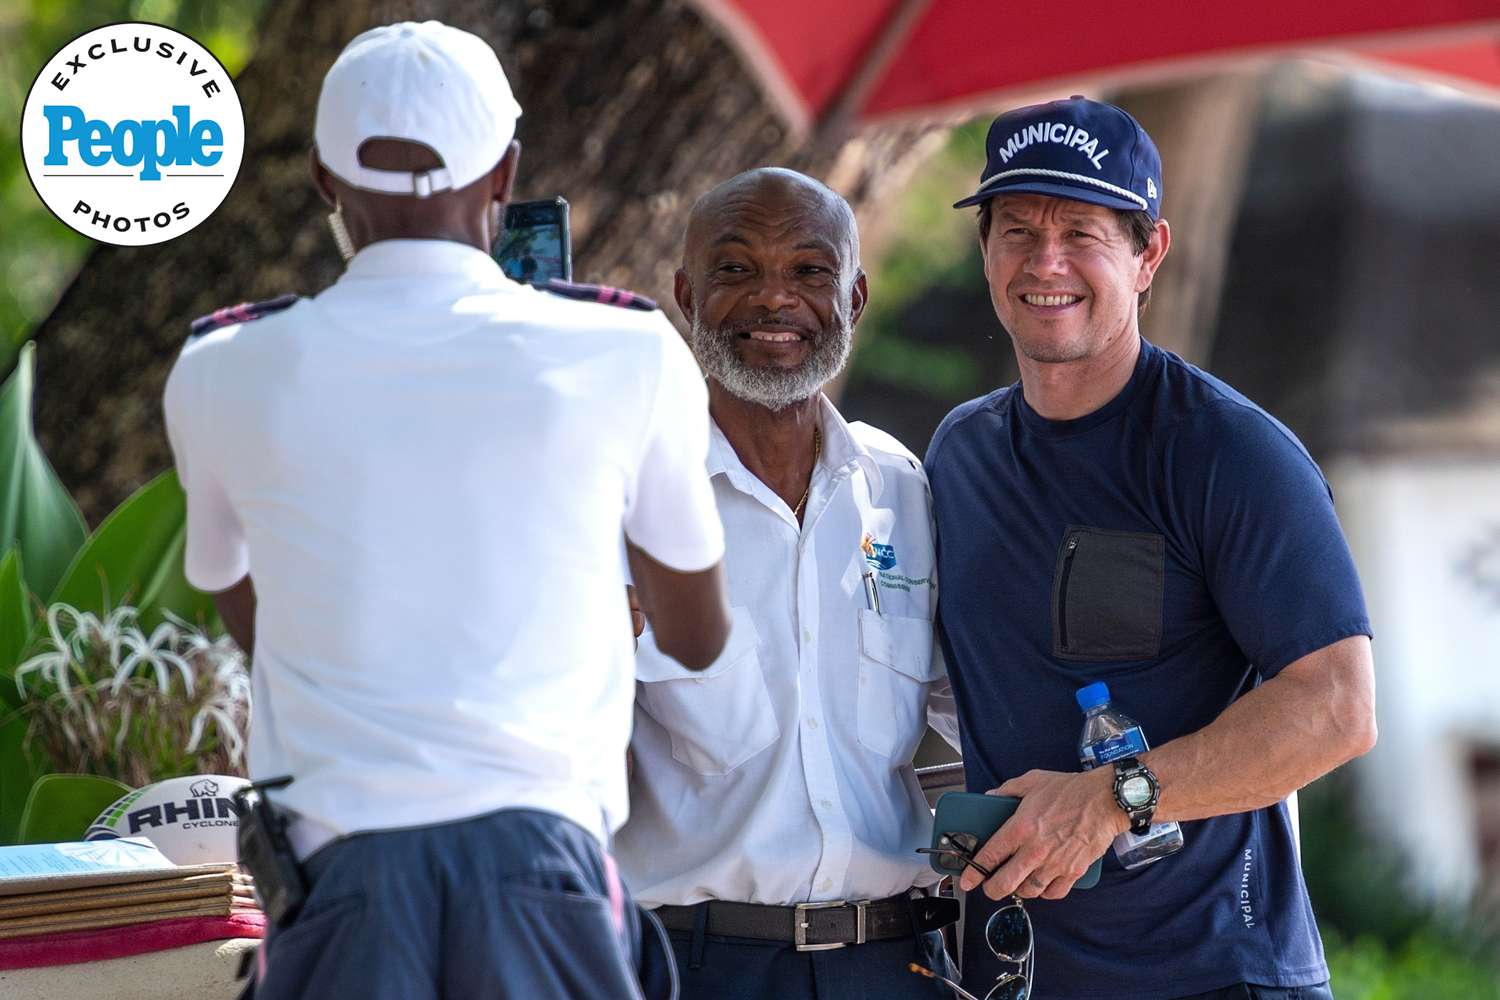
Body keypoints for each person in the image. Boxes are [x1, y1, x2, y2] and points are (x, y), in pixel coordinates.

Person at [161, 21, 731, 999]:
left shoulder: (222, 371)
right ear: (505, 173)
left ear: (323, 180)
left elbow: (251, 615)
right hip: (542, 872)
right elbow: (697, 636)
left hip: (342, 882)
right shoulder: (626, 355)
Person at [924, 96, 1377, 1000]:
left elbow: (1336, 709)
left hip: (1218, 975)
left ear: (1149, 255)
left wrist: (1107, 799)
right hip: (1014, 977)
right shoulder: (956, 455)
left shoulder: (1227, 452)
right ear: (985, 253)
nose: (1044, 261)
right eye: (1016, 229)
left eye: (1081, 231)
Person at [614, 167, 962, 1000]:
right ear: (686, 296)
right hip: (696, 966)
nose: (775, 300)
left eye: (809, 271)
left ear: (856, 296)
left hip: (898, 963)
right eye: (736, 270)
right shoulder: (623, 498)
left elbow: (975, 714)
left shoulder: (903, 489)